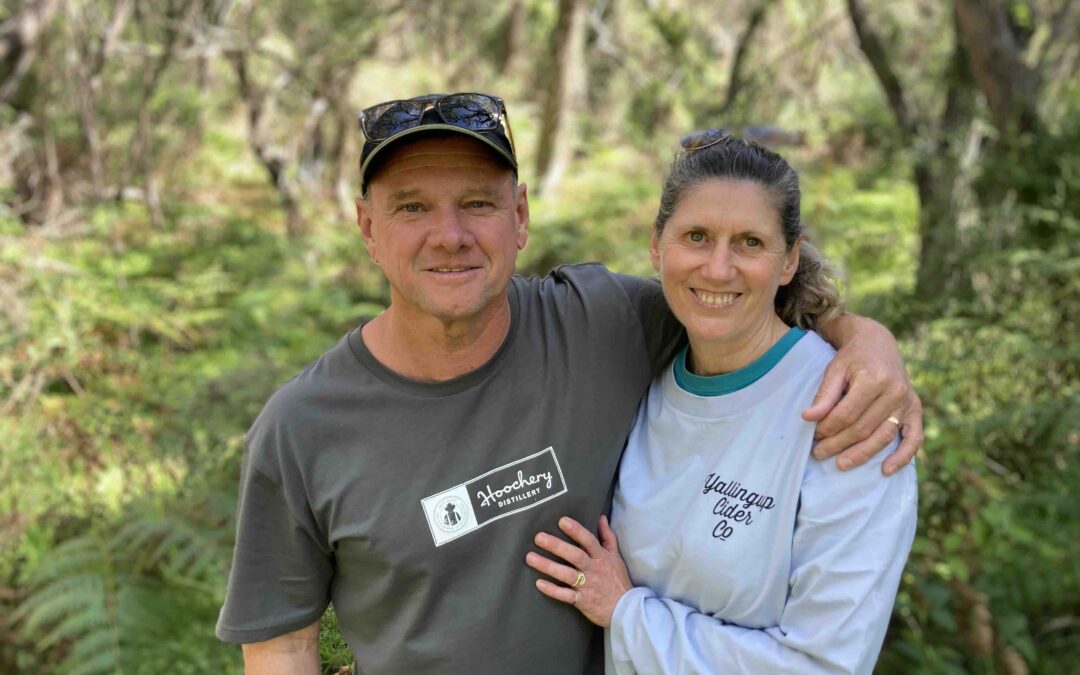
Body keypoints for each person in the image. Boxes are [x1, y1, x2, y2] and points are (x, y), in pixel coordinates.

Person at [215, 93, 923, 674]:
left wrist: (866, 344)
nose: (450, 233)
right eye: (411, 207)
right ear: (366, 227)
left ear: (520, 216)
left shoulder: (603, 324)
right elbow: (282, 646)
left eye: (478, 203)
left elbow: (739, 307)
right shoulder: (303, 427)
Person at [526, 131, 917, 674]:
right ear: (657, 245)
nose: (717, 268)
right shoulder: (642, 368)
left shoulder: (852, 415)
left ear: (788, 261)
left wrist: (625, 612)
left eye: (750, 243)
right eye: (697, 236)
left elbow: (825, 665)